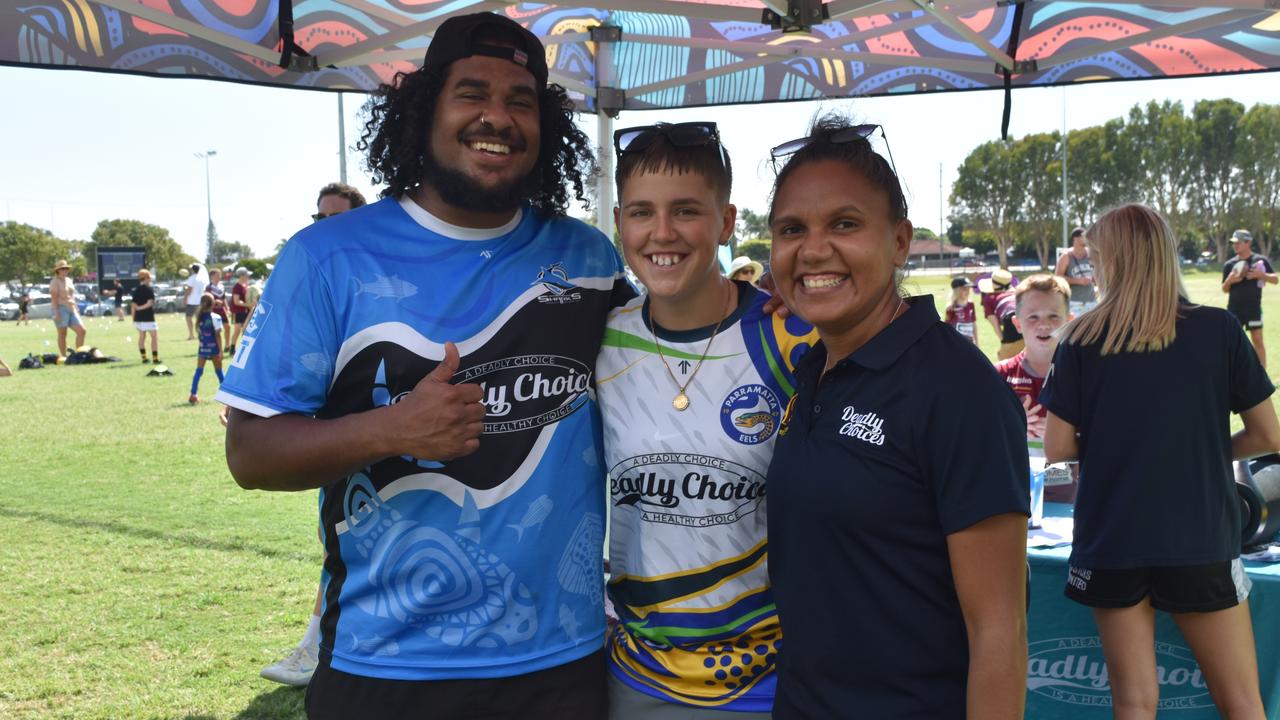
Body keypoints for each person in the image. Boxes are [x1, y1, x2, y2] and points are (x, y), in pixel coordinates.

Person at [218, 12, 632, 719]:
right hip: (386, 669)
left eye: (520, 100)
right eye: (472, 94)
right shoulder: (328, 258)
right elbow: (250, 454)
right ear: (425, 109)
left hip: (566, 663)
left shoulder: (590, 259)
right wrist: (392, 429)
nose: (496, 117)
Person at [764, 116, 1029, 719]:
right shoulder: (811, 371)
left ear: (900, 241)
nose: (812, 249)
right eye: (791, 229)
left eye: (845, 224)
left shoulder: (957, 388)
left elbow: (999, 630)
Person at [597, 122, 815, 718]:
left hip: (772, 680)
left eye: (686, 211)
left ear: (725, 222)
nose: (661, 233)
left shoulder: (793, 338)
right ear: (620, 222)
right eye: (642, 212)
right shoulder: (597, 338)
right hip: (637, 678)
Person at [1042, 204, 1280, 720]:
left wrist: (1116, 450)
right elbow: (1268, 435)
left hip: (1112, 539)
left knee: (1133, 702)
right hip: (1199, 536)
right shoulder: (1219, 330)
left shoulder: (1080, 339)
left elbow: (1057, 453)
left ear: (1113, 261)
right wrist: (1208, 450)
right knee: (1241, 703)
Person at [255, 183, 367, 687]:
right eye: (319, 217)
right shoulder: (315, 274)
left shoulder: (367, 281)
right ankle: (316, 642)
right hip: (330, 443)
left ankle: (319, 644)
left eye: (335, 217)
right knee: (331, 541)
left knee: (339, 544)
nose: (324, 226)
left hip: (370, 449)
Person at [994, 274, 1075, 503]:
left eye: (1053, 316)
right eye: (1033, 317)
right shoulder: (998, 377)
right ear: (1017, 323)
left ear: (1069, 320)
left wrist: (1063, 432)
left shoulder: (1085, 378)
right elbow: (977, 443)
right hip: (1014, 501)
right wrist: (1014, 426)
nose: (1044, 324)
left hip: (1071, 501)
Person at [1222, 228, 1276, 369]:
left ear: (1248, 243)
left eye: (1238, 243)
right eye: (1234, 243)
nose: (1235, 246)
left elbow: (1275, 279)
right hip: (1234, 309)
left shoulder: (1260, 261)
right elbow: (1224, 289)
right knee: (1232, 343)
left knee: (1257, 341)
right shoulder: (1229, 264)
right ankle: (1232, 376)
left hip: (1253, 308)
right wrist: (1229, 281)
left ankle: (1262, 376)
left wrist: (1261, 275)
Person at [978, 267, 1022, 359]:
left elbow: (995, 324)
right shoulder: (1016, 294)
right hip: (1028, 315)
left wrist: (1004, 341)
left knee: (1005, 359)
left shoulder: (989, 298)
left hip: (1011, 319)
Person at [189, 293, 224, 403]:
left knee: (199, 371)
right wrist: (220, 351)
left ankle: (193, 394)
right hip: (214, 348)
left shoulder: (199, 317)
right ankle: (227, 395)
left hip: (203, 348)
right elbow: (218, 335)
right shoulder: (216, 317)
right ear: (213, 303)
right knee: (219, 371)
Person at [1055, 227, 1097, 315]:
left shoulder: (1091, 254)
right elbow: (1057, 278)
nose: (1087, 238)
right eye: (1084, 236)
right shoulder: (1066, 256)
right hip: (1074, 303)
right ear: (1075, 238)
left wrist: (1095, 279)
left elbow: (1098, 271)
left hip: (1092, 302)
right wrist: (1078, 281)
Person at [49, 259, 86, 356]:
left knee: (82, 330)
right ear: (58, 270)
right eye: (62, 268)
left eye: (66, 268)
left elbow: (72, 295)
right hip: (60, 308)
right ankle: (64, 356)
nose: (65, 270)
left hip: (71, 308)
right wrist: (56, 312)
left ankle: (79, 354)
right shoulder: (54, 282)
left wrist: (76, 308)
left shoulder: (69, 280)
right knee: (62, 333)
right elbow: (54, 298)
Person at [131, 269, 161, 364]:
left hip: (138, 318)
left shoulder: (136, 290)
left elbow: (133, 306)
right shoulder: (149, 289)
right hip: (148, 317)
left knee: (142, 337)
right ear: (146, 278)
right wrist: (140, 308)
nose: (150, 280)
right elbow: (150, 303)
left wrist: (133, 318)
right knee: (154, 337)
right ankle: (155, 358)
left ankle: (144, 358)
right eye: (149, 278)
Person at [205, 268, 233, 351]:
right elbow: (206, 298)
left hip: (221, 310)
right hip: (213, 310)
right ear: (212, 276)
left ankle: (227, 346)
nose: (219, 276)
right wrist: (215, 300)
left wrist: (227, 308)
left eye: (219, 275)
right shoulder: (209, 287)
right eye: (217, 275)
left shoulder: (221, 286)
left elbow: (223, 298)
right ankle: (216, 347)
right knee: (216, 330)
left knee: (227, 327)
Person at [944, 275, 977, 344]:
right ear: (957, 291)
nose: (967, 291)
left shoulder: (971, 304)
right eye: (964, 289)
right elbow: (947, 328)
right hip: (957, 342)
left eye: (968, 289)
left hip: (970, 342)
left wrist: (977, 343)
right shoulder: (951, 308)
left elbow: (974, 324)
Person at [228, 267, 252, 356]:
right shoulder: (237, 286)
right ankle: (232, 349)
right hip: (238, 311)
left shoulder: (245, 286)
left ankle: (244, 349)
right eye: (246, 275)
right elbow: (236, 301)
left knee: (246, 330)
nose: (248, 276)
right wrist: (249, 305)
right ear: (242, 276)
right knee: (237, 330)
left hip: (245, 312)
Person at [182, 263, 208, 340]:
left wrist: (185, 298)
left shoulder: (192, 278)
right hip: (200, 301)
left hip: (192, 301)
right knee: (199, 318)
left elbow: (189, 289)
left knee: (188, 317)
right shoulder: (202, 279)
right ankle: (201, 333)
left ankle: (191, 335)